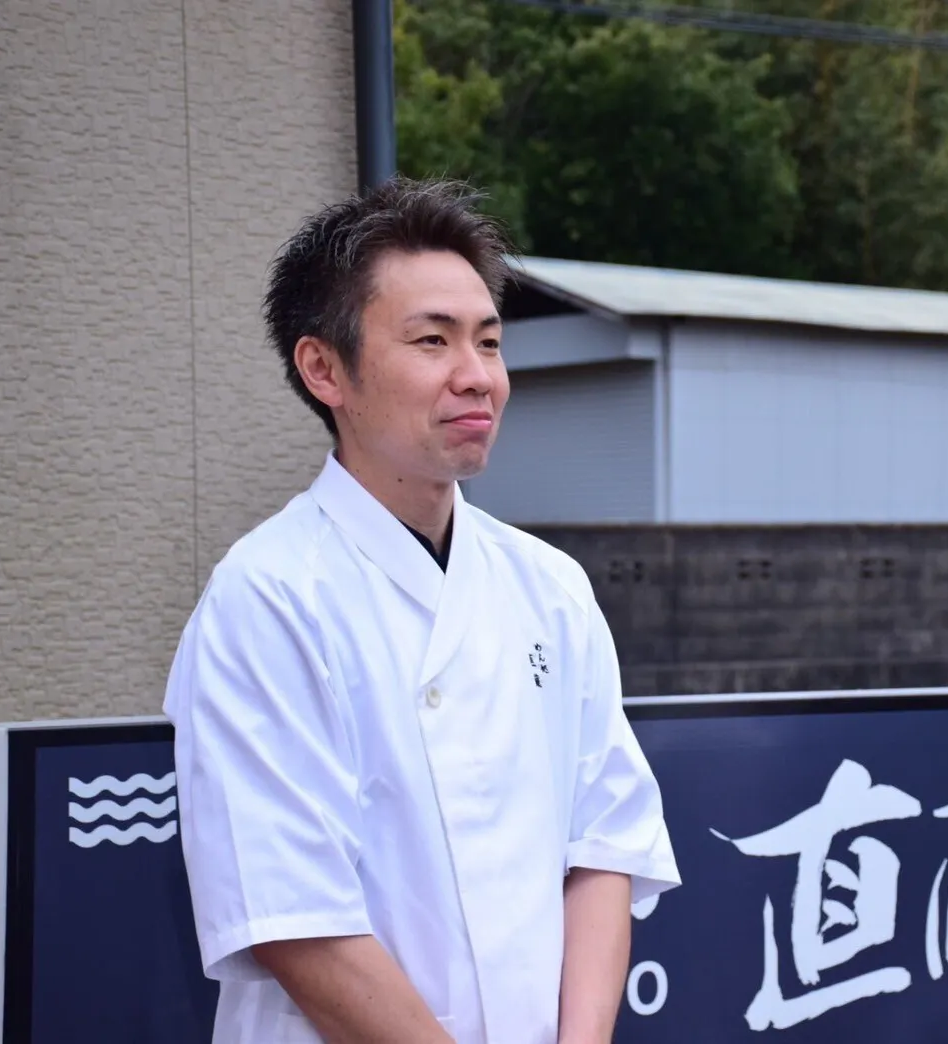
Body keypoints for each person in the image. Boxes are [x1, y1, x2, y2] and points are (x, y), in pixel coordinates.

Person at [163, 178, 680, 1044]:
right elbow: (296, 920)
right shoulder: (268, 598)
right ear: (324, 369)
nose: (477, 377)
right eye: (432, 341)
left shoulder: (549, 586)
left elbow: (604, 847)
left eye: (489, 341)